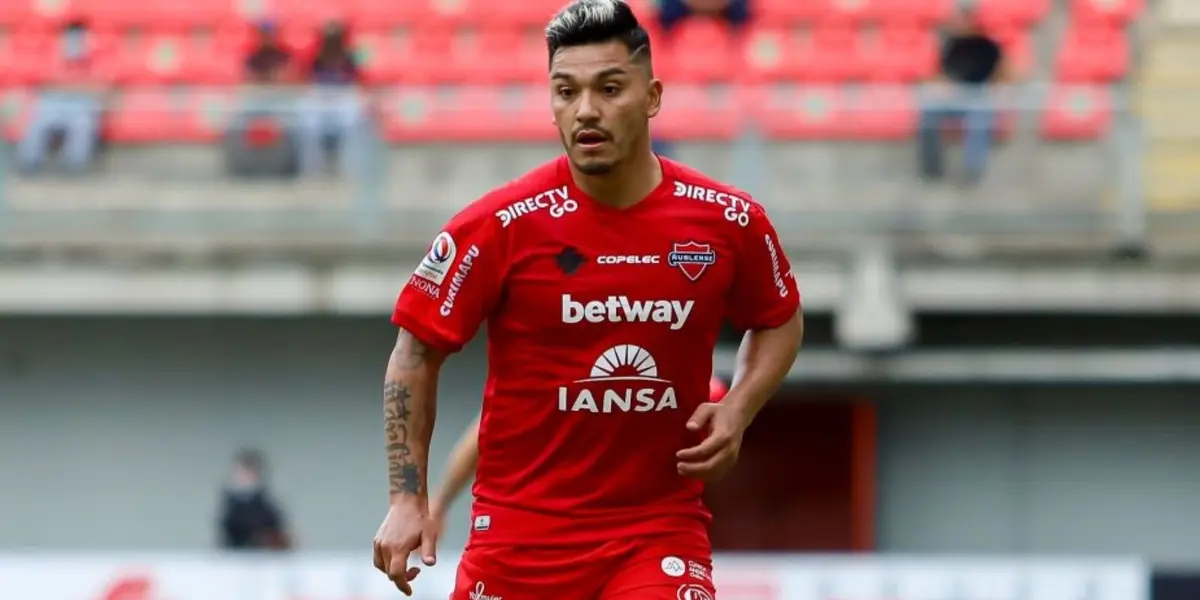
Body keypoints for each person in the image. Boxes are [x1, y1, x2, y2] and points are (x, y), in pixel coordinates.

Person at [372, 1, 803, 598]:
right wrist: (409, 499)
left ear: (652, 97)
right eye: (566, 92)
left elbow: (780, 318)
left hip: (656, 533)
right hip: (518, 541)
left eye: (609, 88)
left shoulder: (728, 221)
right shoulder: (499, 226)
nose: (586, 110)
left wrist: (738, 408)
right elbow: (415, 354)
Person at [428, 375, 731, 534]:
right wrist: (439, 503)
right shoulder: (544, 373)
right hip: (538, 526)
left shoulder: (694, 389)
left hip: (641, 535)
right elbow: (483, 434)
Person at [917, 7, 1009, 184]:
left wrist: (997, 89)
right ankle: (931, 170)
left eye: (960, 20)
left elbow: (1001, 76)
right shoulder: (950, 45)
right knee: (929, 114)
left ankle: (972, 172)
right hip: (954, 95)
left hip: (979, 95)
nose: (956, 24)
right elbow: (940, 74)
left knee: (979, 121)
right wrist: (941, 86)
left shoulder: (989, 46)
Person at [18, 18, 103, 174]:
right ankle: (29, 164)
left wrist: (67, 87)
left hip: (80, 105)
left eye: (79, 38)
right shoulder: (50, 57)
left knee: (83, 124)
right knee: (36, 121)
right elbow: (41, 84)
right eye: (71, 37)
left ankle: (74, 167)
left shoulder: (93, 59)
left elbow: (99, 88)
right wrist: (76, 87)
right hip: (52, 103)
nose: (74, 42)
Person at [296, 21, 367, 176]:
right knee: (308, 125)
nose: (332, 43)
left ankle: (350, 171)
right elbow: (304, 82)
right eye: (329, 39)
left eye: (336, 39)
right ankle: (312, 171)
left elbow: (362, 81)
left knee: (353, 124)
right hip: (320, 101)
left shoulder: (353, 56)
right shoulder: (314, 57)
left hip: (344, 101)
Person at [217, 449, 292, 550]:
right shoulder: (230, 506)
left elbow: (279, 536)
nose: (244, 477)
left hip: (262, 556)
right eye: (241, 472)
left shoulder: (267, 508)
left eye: (248, 473)